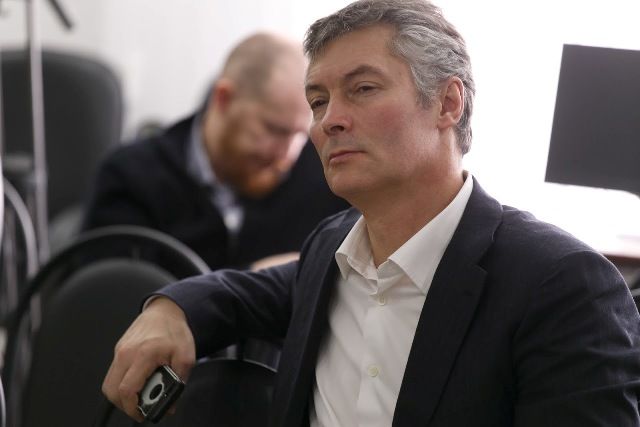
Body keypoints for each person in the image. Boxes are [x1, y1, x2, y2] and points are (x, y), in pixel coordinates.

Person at [102, 1, 640, 426]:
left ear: (448, 103)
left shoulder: (562, 286)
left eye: (362, 89)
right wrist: (171, 309)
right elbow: (247, 292)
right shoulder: (329, 251)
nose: (329, 121)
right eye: (318, 101)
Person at [82, 32, 349, 270]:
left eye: (300, 134)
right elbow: (115, 295)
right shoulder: (130, 179)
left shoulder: (327, 175)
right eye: (273, 130)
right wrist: (255, 281)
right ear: (223, 98)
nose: (287, 155)